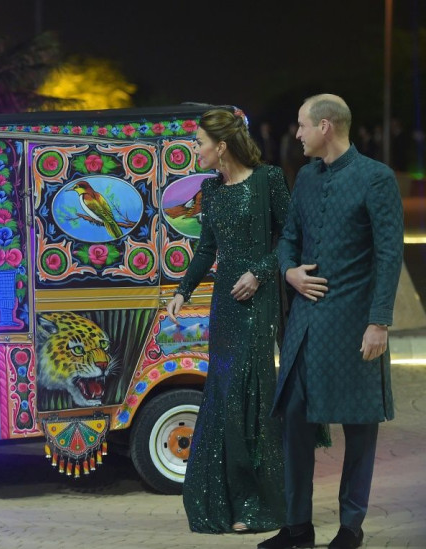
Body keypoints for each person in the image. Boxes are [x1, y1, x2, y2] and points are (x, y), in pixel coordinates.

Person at [258, 94, 403, 549]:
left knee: (359, 428)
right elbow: (289, 240)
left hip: (355, 326)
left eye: (301, 126)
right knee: (295, 422)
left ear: (325, 126)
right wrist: (289, 272)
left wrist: (379, 321)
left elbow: (389, 254)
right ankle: (298, 527)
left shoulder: (375, 178)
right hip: (304, 326)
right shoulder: (304, 178)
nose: (296, 134)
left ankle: (351, 529)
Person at [166, 109, 290, 534]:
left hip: (258, 301)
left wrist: (260, 273)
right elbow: (206, 249)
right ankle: (231, 499)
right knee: (223, 393)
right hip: (225, 306)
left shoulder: (267, 180)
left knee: (246, 391)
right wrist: (183, 290)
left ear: (221, 146)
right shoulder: (211, 190)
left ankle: (259, 503)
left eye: (199, 142)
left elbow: (291, 236)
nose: (195, 150)